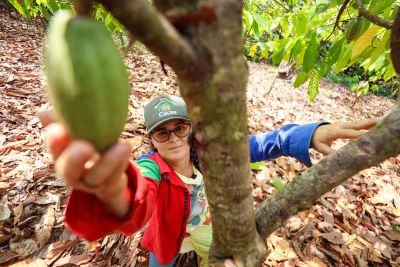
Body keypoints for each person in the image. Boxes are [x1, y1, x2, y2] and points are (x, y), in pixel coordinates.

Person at [41, 94, 377, 266]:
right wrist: (115, 195)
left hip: (205, 229)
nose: (172, 138)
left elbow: (260, 144)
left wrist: (308, 133)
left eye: (179, 128)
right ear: (152, 139)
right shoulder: (152, 166)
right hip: (168, 237)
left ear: (190, 129)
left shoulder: (209, 154)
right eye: (161, 132)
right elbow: (139, 190)